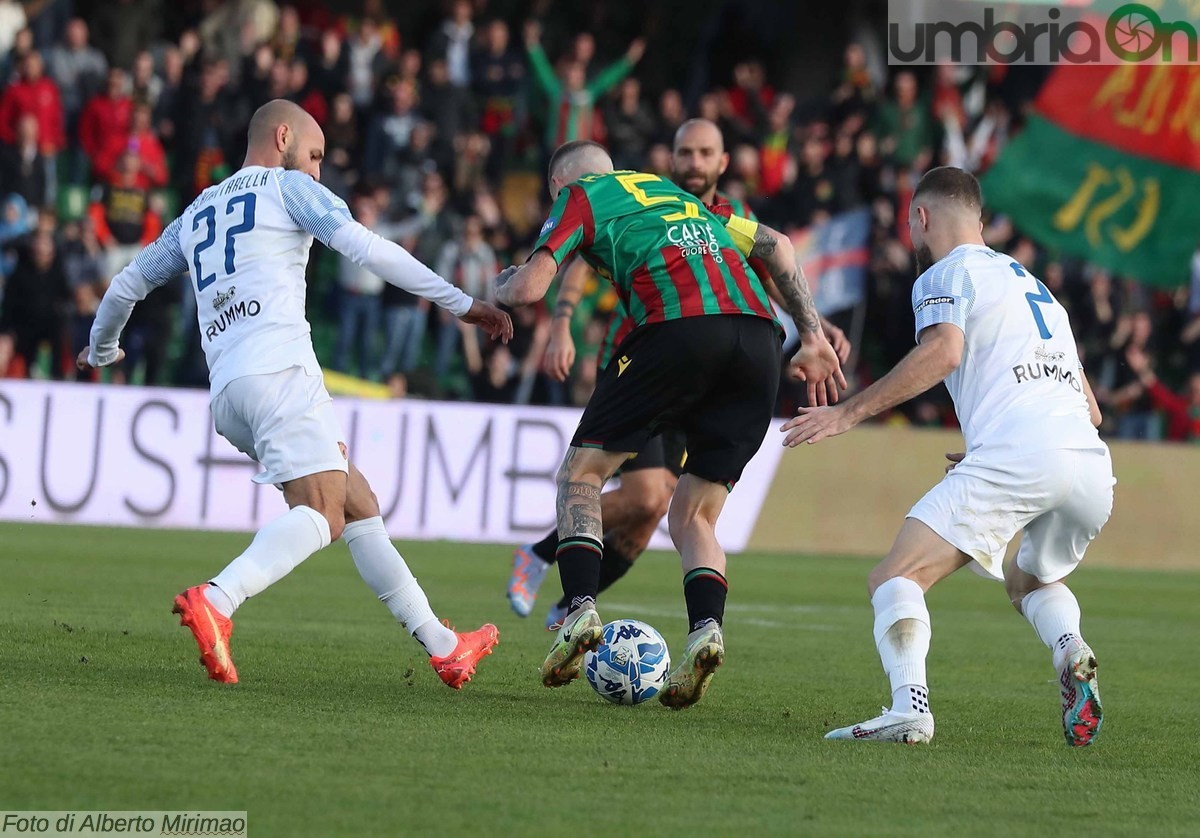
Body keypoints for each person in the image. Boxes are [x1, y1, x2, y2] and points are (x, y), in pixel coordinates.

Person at [78, 100, 512, 689]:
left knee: (357, 501)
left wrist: (102, 348)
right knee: (321, 515)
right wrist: (463, 302)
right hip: (281, 372)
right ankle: (218, 599)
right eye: (314, 156)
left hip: (230, 394)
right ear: (283, 137)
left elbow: (128, 281)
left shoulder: (198, 210)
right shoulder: (288, 190)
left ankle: (443, 645)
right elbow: (369, 250)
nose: (317, 171)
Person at [495, 140, 844, 708]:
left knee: (580, 475)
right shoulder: (680, 196)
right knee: (693, 512)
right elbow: (777, 246)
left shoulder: (581, 196)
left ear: (561, 186)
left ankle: (579, 613)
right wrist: (813, 334)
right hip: (759, 340)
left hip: (679, 331)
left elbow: (531, 287)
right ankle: (707, 631)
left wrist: (501, 285)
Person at [781, 167, 1113, 746]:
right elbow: (1091, 409)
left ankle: (909, 708)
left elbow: (944, 352)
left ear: (921, 219)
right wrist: (995, 442)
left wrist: (847, 412)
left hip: (1024, 454)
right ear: (980, 220)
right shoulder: (1037, 287)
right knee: (1027, 581)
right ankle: (1072, 651)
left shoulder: (946, 272)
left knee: (896, 575)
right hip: (1089, 464)